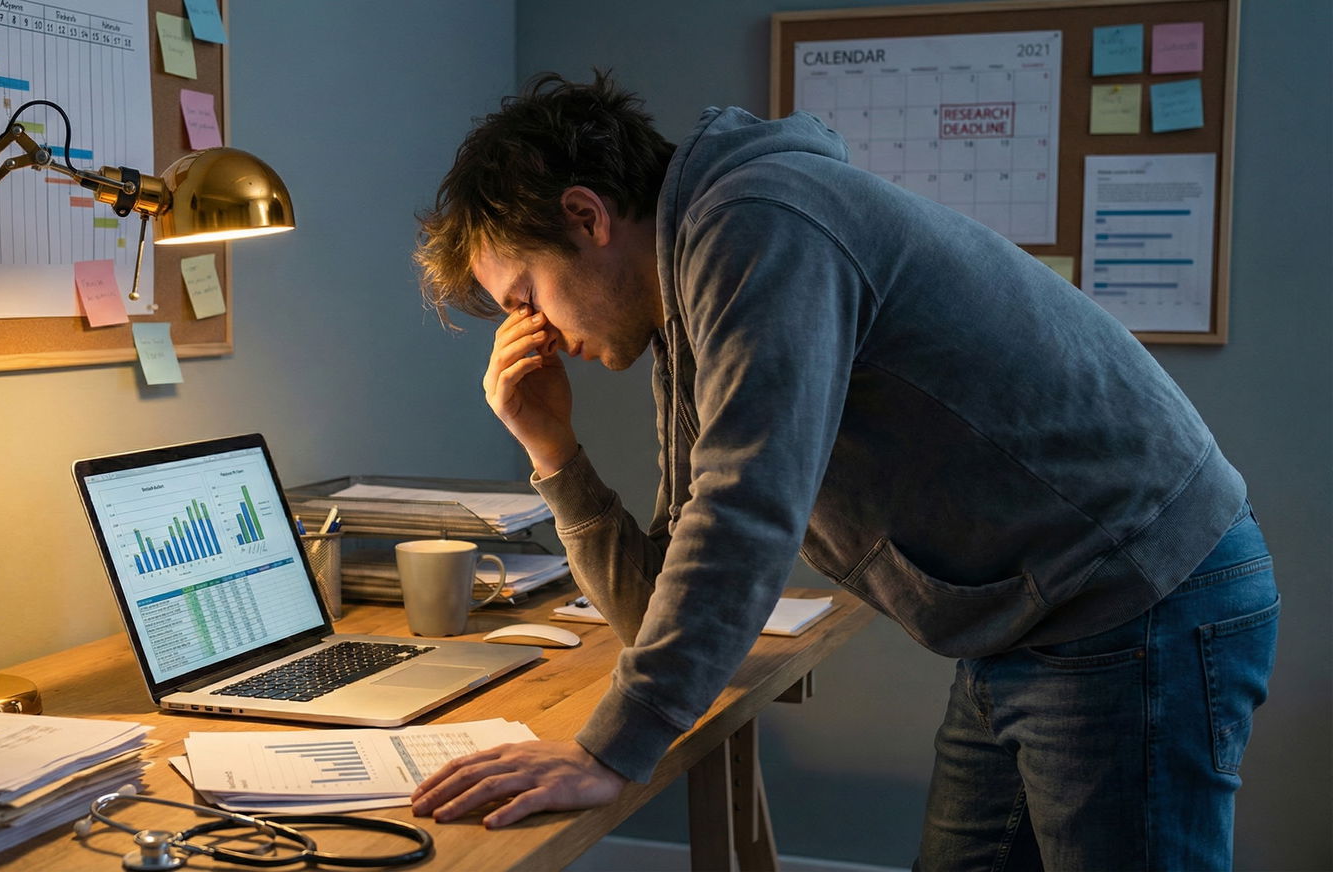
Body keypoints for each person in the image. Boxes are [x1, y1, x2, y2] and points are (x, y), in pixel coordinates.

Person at [407, 71, 1279, 869]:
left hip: (1137, 595)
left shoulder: (757, 224)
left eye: (525, 296)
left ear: (586, 217)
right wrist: (552, 451)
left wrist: (609, 750)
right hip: (1036, 618)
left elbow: (744, 510)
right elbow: (657, 604)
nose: (533, 333)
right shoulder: (691, 295)